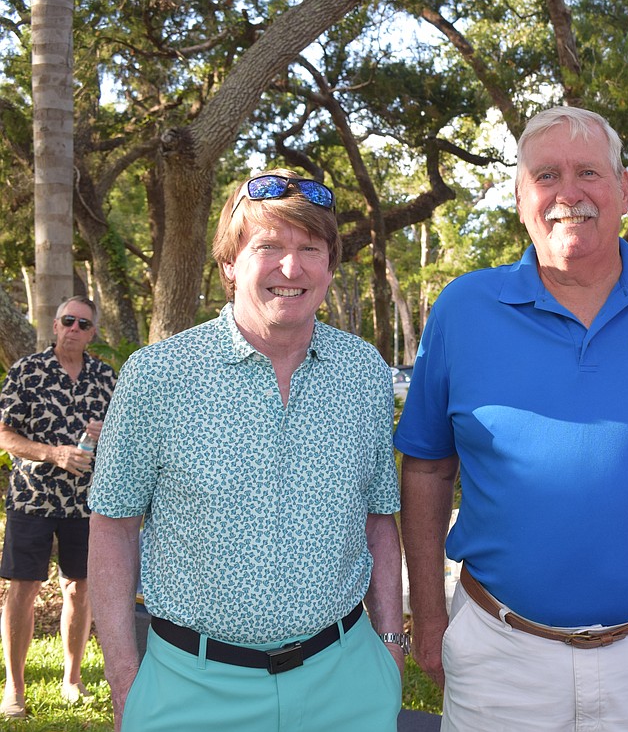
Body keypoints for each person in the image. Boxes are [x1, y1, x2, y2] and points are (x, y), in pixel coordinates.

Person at [395, 106, 628, 730]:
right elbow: (428, 466)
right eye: (546, 175)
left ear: (625, 188)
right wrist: (432, 616)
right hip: (501, 659)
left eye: (589, 173)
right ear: (520, 197)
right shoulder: (463, 310)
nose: (567, 194)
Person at [88, 169, 405, 732]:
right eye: (269, 247)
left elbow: (379, 517)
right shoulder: (157, 377)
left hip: (347, 685)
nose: (292, 267)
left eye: (311, 248)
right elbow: (112, 528)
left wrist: (390, 650)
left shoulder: (364, 373)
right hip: (192, 690)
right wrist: (125, 683)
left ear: (330, 266)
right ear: (230, 263)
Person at [0, 295, 116, 718]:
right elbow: (4, 435)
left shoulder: (106, 377)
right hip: (31, 499)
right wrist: (53, 454)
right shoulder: (27, 371)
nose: (74, 328)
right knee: (23, 589)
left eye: (84, 324)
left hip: (86, 503)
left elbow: (127, 439)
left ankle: (72, 679)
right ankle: (14, 688)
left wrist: (107, 434)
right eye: (68, 320)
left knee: (80, 587)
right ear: (54, 324)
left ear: (92, 334)